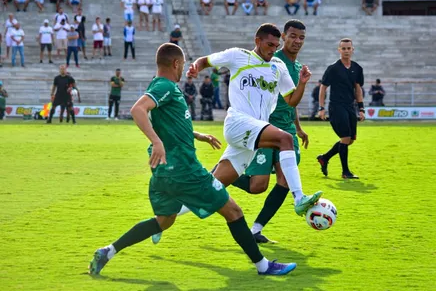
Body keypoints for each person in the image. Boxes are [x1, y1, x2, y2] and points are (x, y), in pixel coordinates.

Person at [88, 42, 297, 277]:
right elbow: (138, 109)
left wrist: (197, 135)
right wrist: (156, 142)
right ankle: (263, 266)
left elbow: (167, 123)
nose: (183, 69)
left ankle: (108, 251)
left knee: (164, 221)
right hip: (185, 170)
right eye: (183, 64)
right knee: (234, 212)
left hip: (165, 173)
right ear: (176, 63)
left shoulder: (162, 87)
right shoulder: (164, 86)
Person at [186, 23, 322, 217]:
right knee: (285, 139)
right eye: (269, 44)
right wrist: (195, 68)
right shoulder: (238, 55)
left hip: (254, 133)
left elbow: (291, 100)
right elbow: (206, 60)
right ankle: (299, 198)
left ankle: (166, 214)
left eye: (276, 46)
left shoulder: (278, 66)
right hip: (238, 123)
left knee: (213, 187)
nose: (273, 49)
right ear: (257, 41)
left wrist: (302, 83)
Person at [230, 20, 311, 243]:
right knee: (257, 186)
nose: (297, 41)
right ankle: (222, 172)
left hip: (287, 132)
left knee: (285, 181)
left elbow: (290, 101)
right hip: (266, 129)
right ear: (283, 37)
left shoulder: (296, 67)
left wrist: (299, 128)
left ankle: (256, 229)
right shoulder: (272, 60)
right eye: (293, 36)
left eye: (301, 38)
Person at [317, 38, 365, 179]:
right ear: (339, 50)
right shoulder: (333, 68)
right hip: (336, 107)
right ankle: (345, 172)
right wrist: (321, 107)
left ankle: (324, 158)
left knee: (350, 140)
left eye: (348, 48)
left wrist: (361, 109)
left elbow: (358, 89)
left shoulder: (357, 68)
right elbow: (323, 87)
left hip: (350, 107)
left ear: (352, 50)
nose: (346, 51)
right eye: (343, 48)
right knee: (345, 138)